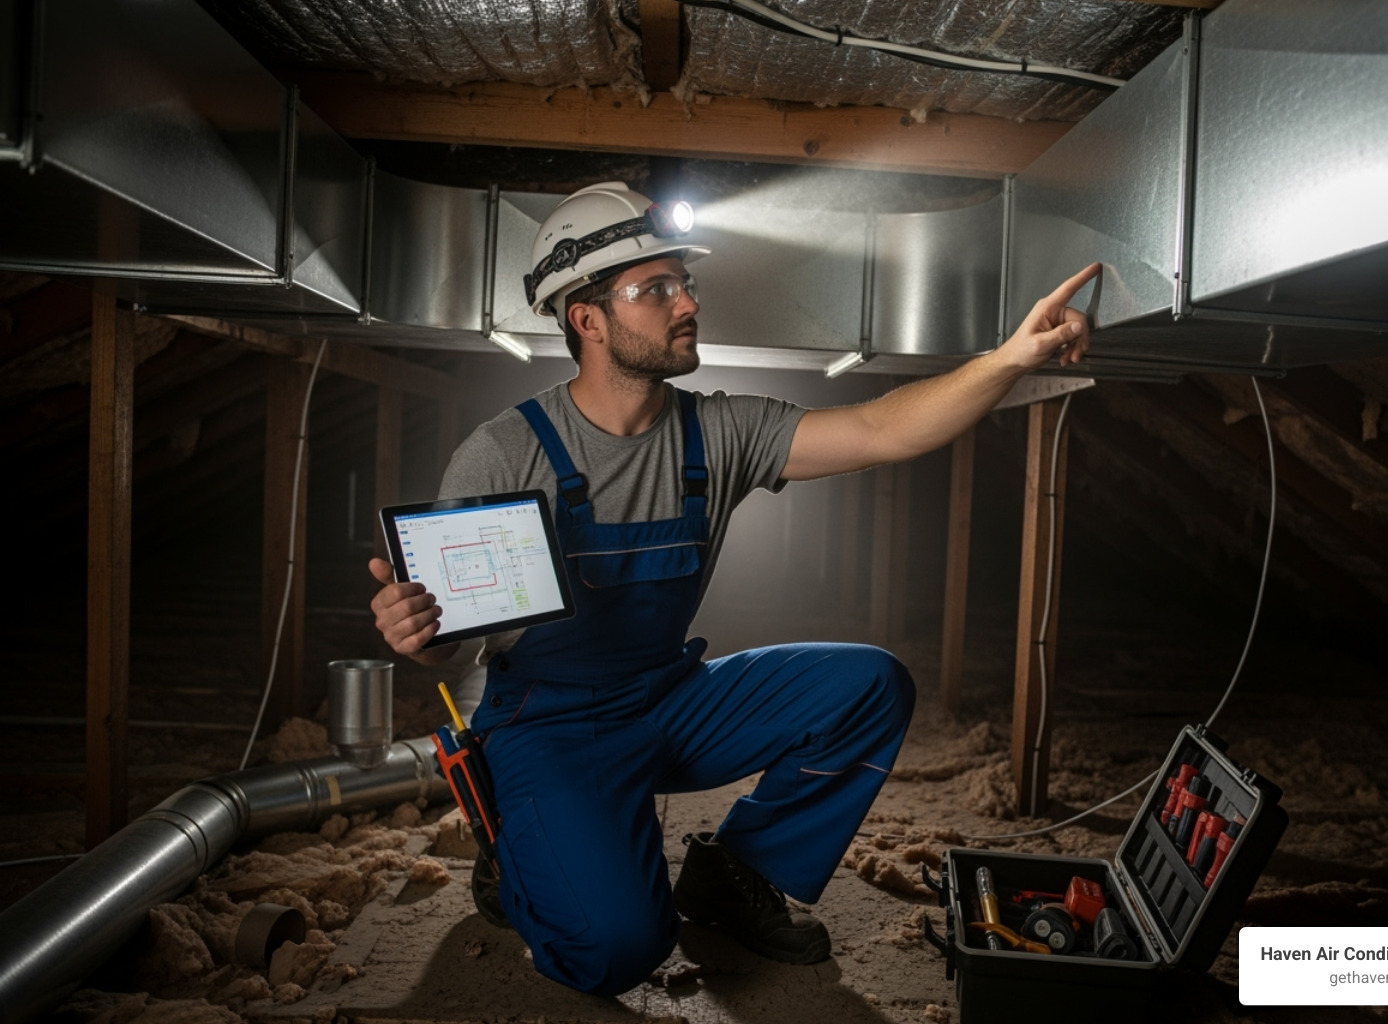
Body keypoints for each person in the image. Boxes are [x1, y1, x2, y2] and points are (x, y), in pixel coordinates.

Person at [370, 182, 1098, 995]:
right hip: (550, 722)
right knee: (617, 951)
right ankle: (522, 860)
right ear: (587, 319)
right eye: (655, 289)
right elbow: (449, 633)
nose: (687, 303)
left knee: (867, 686)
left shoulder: (718, 431)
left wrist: (1009, 358)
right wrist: (417, 628)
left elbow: (881, 429)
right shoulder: (505, 453)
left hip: (665, 698)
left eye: (684, 283)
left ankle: (733, 871)